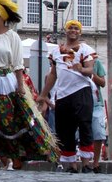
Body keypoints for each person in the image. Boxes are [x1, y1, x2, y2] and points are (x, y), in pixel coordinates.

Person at [0, 0, 58, 170]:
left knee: (8, 122)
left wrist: (20, 86)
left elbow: (17, 63)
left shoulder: (12, 36)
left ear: (0, 15)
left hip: (5, 82)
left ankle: (16, 155)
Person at [37, 20, 96, 173]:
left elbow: (90, 70)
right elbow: (53, 74)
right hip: (62, 94)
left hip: (81, 91)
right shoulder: (56, 51)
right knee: (65, 130)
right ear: (66, 31)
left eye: (76, 28)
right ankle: (72, 165)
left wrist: (81, 69)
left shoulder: (85, 49)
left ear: (80, 32)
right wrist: (43, 94)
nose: (73, 31)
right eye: (71, 28)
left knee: (84, 125)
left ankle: (86, 163)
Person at [90, 57, 107, 173]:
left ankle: (95, 162)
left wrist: (93, 75)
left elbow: (103, 82)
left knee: (99, 133)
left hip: (96, 102)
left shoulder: (96, 63)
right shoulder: (73, 61)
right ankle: (84, 161)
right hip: (79, 100)